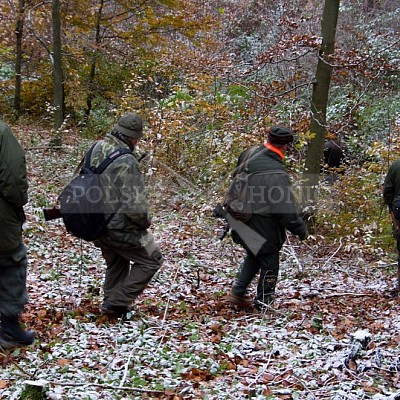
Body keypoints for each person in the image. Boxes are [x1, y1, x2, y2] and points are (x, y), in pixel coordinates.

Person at [87, 112, 163, 318]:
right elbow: (135, 208)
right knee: (153, 258)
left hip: (91, 222)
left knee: (117, 261)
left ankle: (113, 308)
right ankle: (116, 301)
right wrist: (145, 223)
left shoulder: (96, 147)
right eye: (137, 139)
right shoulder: (127, 161)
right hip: (116, 227)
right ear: (132, 138)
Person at [226, 126, 308, 311]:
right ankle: (264, 305)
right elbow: (284, 210)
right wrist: (300, 229)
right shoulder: (276, 173)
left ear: (268, 139)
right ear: (285, 146)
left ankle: (238, 292)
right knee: (270, 261)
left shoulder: (249, 153)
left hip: (239, 218)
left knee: (255, 254)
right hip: (261, 225)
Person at [0, 120, 35, 347]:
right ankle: (9, 329)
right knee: (11, 263)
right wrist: (18, 203)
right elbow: (12, 180)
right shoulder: (1, 133)